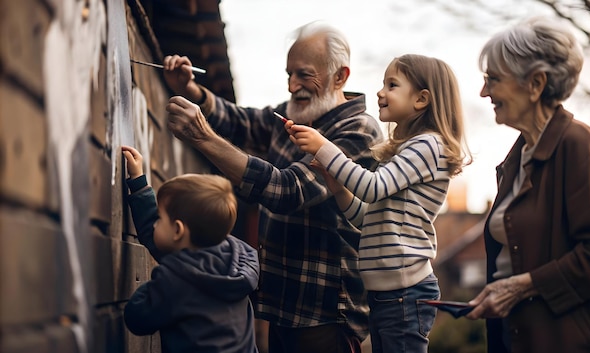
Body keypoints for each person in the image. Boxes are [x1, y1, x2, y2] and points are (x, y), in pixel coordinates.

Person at [162, 21, 384, 353]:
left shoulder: (358, 131)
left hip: (324, 315)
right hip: (282, 305)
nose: (293, 85)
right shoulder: (295, 114)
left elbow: (288, 190)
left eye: (303, 74)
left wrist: (203, 138)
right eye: (288, 74)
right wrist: (193, 90)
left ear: (340, 77)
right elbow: (243, 121)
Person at [287, 54, 471, 353]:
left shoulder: (428, 145)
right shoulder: (410, 151)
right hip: (387, 294)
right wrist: (336, 183)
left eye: (392, 84)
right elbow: (365, 218)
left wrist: (325, 147)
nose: (380, 92)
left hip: (405, 293)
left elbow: (372, 188)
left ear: (422, 99)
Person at [464, 17, 590, 353]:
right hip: (515, 337)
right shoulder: (516, 158)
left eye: (493, 79)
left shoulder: (577, 144)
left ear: (535, 84)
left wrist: (522, 287)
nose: (484, 92)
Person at [120, 145, 260, 353]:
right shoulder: (235, 258)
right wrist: (139, 183)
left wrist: (160, 284)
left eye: (160, 217)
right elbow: (169, 245)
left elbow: (137, 317)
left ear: (178, 230)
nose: (156, 223)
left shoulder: (175, 281)